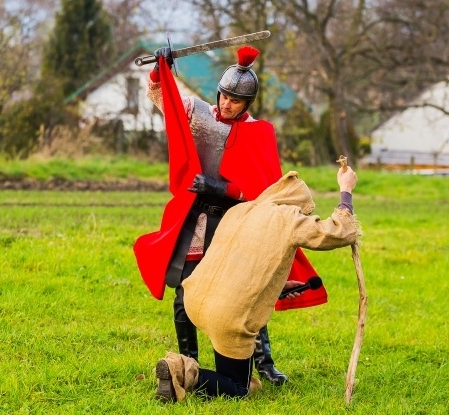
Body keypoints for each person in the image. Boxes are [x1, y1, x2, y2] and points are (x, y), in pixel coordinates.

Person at [133, 45, 322, 386]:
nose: (226, 104)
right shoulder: (197, 113)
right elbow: (162, 97)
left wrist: (222, 189)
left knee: (247, 295)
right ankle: (186, 366)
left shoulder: (259, 133)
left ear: (247, 103)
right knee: (184, 292)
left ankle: (264, 364)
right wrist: (160, 67)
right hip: (196, 221)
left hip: (236, 224)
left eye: (235, 100)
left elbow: (264, 193)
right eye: (224, 96)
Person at [153, 165, 362, 402]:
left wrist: (277, 287)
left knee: (243, 377)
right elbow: (336, 232)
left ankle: (189, 374)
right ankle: (180, 370)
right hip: (227, 315)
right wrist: (346, 190)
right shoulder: (288, 217)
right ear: (295, 203)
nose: (304, 214)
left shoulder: (242, 210)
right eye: (305, 210)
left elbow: (241, 263)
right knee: (239, 388)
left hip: (196, 298)